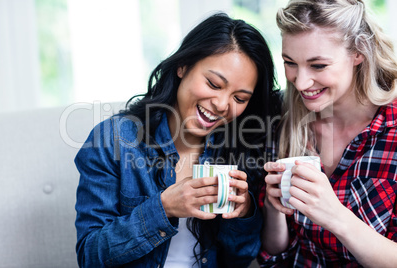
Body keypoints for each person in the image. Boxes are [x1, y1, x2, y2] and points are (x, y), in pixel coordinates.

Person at [75, 13, 281, 267]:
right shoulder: (114, 139)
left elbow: (240, 259)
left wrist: (245, 212)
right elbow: (90, 256)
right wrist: (163, 208)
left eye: (239, 99)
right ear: (182, 66)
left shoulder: (239, 149)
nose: (221, 104)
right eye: (214, 84)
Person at [258, 0, 397, 267]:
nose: (300, 82)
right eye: (290, 63)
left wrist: (333, 214)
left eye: (318, 66)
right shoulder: (283, 121)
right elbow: (275, 249)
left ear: (358, 53)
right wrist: (274, 208)